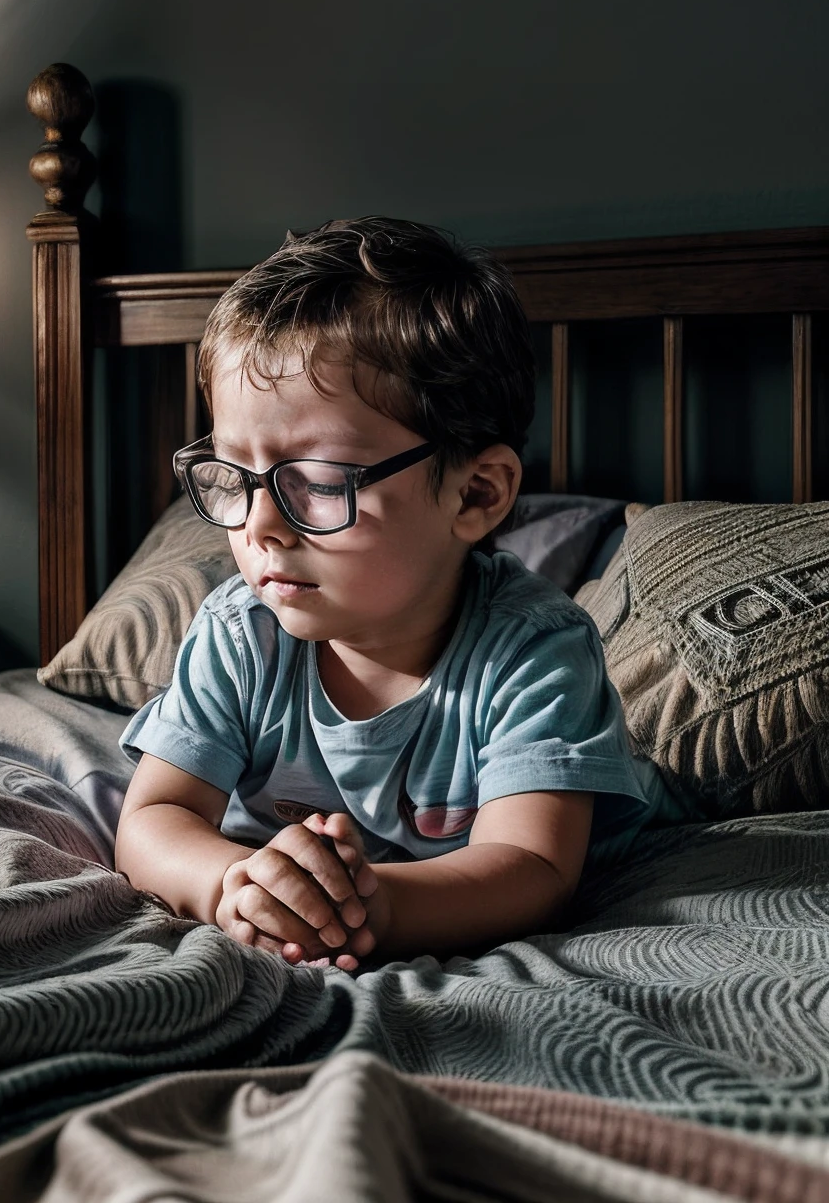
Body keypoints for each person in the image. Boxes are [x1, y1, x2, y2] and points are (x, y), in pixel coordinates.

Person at [114, 217, 674, 970]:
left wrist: (379, 906)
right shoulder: (240, 634)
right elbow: (155, 817)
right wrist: (232, 884)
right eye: (235, 478)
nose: (261, 526)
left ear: (476, 492)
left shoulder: (536, 650)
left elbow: (532, 868)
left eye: (316, 482)